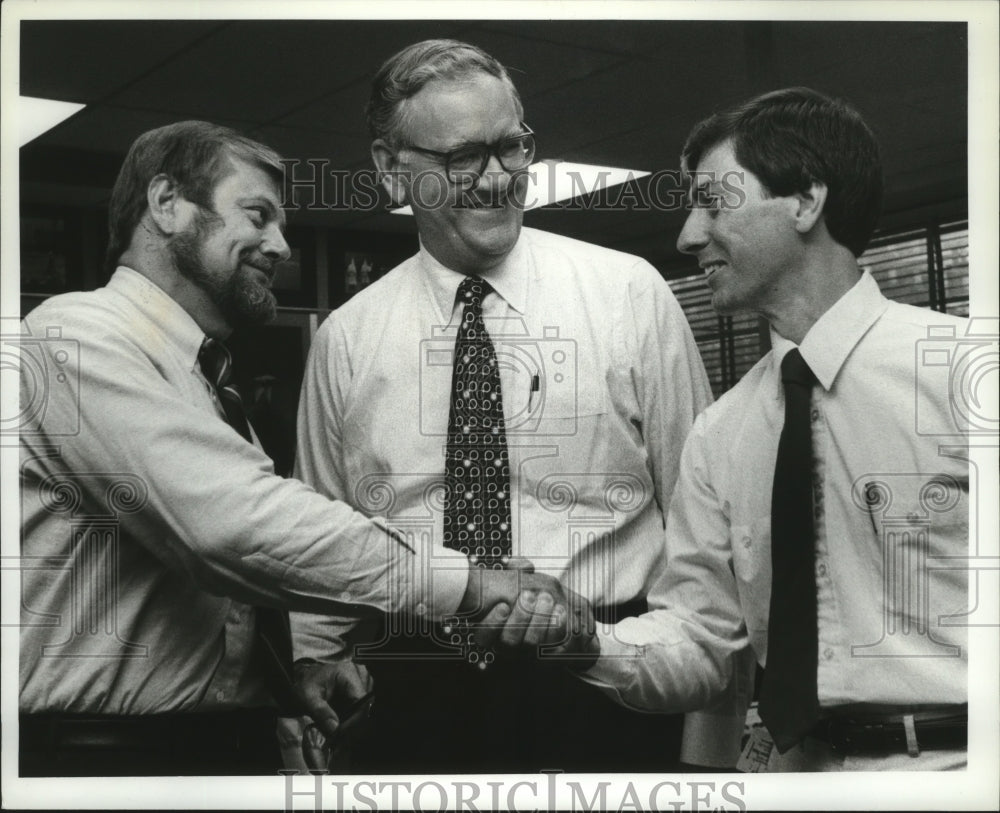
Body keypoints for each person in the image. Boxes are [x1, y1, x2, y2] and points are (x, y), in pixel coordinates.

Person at [17, 120, 567, 776]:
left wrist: (285, 678)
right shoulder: (72, 338)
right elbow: (230, 525)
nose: (280, 244)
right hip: (107, 759)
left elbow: (234, 575)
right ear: (166, 204)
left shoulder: (200, 377)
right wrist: (469, 582)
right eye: (258, 215)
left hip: (207, 746)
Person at [290, 39, 714, 774]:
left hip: (604, 685)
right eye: (463, 157)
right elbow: (322, 535)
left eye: (512, 147)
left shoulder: (629, 295)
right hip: (412, 697)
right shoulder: (346, 339)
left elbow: (706, 528)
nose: (496, 179)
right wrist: (312, 667)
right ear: (393, 169)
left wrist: (711, 731)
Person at [579, 87, 969, 771]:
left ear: (804, 200)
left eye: (714, 202)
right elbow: (701, 641)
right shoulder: (720, 432)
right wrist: (579, 639)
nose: (687, 235)